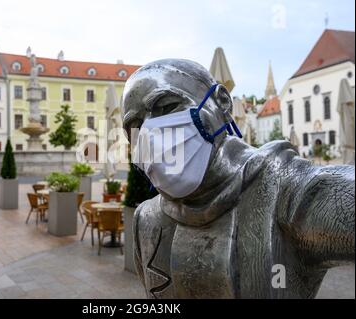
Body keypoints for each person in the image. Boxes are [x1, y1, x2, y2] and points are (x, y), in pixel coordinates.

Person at [122, 59, 355, 299]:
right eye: (135, 127)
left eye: (168, 106)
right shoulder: (146, 220)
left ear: (221, 102)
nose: (150, 133)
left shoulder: (288, 191)